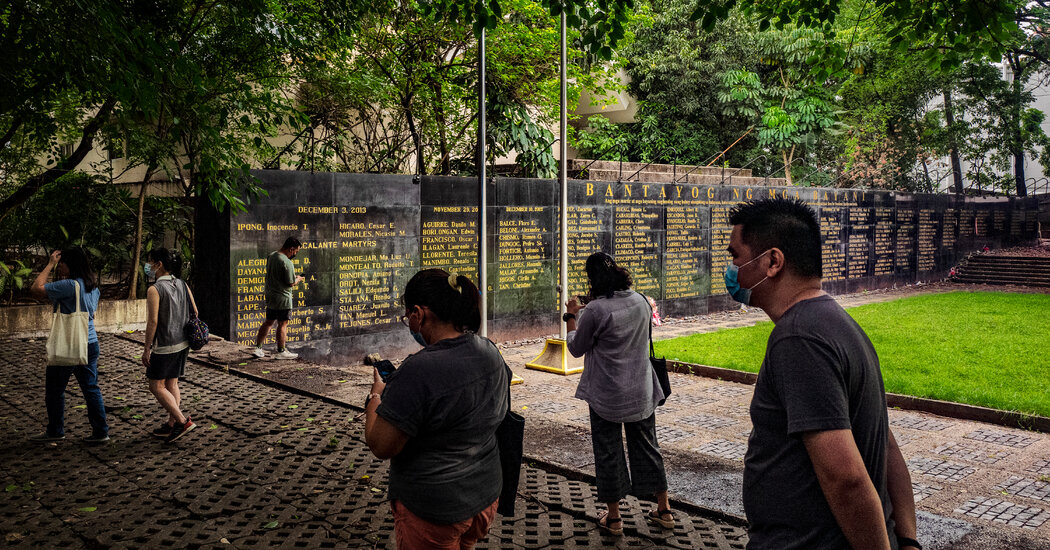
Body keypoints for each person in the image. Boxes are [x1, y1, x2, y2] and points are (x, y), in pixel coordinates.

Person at [727, 198, 919, 550]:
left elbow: (844, 478)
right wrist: (907, 541)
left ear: (772, 261)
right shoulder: (839, 323)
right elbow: (885, 443)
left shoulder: (798, 338)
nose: (732, 269)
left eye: (736, 256)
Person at [364, 269, 509, 550]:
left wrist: (375, 399)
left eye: (408, 316)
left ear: (419, 314)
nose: (409, 322)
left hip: (435, 508)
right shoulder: (489, 350)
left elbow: (381, 445)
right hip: (484, 496)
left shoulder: (418, 370)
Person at [564, 251, 672, 536]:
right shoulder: (640, 301)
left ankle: (614, 519)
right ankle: (664, 510)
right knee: (648, 447)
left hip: (606, 395)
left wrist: (571, 316)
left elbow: (576, 348)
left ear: (592, 280)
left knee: (609, 451)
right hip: (641, 390)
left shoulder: (596, 310)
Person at [28, 248, 109, 443]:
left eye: (62, 263)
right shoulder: (93, 286)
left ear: (70, 265)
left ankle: (56, 430)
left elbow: (36, 289)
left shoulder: (69, 285)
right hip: (90, 342)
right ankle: (101, 432)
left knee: (55, 389)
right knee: (91, 388)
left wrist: (49, 264)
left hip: (70, 344)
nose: (60, 266)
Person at [141, 248, 198, 443]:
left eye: (150, 261)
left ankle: (182, 421)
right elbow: (195, 312)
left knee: (156, 385)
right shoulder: (182, 284)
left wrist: (147, 348)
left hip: (164, 345)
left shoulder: (154, 289)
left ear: (159, 264)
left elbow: (153, 322)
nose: (148, 266)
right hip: (183, 343)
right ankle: (171, 425)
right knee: (172, 383)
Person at [251, 237, 304, 359]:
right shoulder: (287, 262)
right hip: (283, 298)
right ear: (291, 249)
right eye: (296, 251)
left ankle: (258, 348)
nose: (295, 254)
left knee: (268, 322)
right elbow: (290, 283)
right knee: (283, 324)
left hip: (271, 296)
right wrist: (298, 279)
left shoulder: (272, 256)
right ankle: (281, 351)